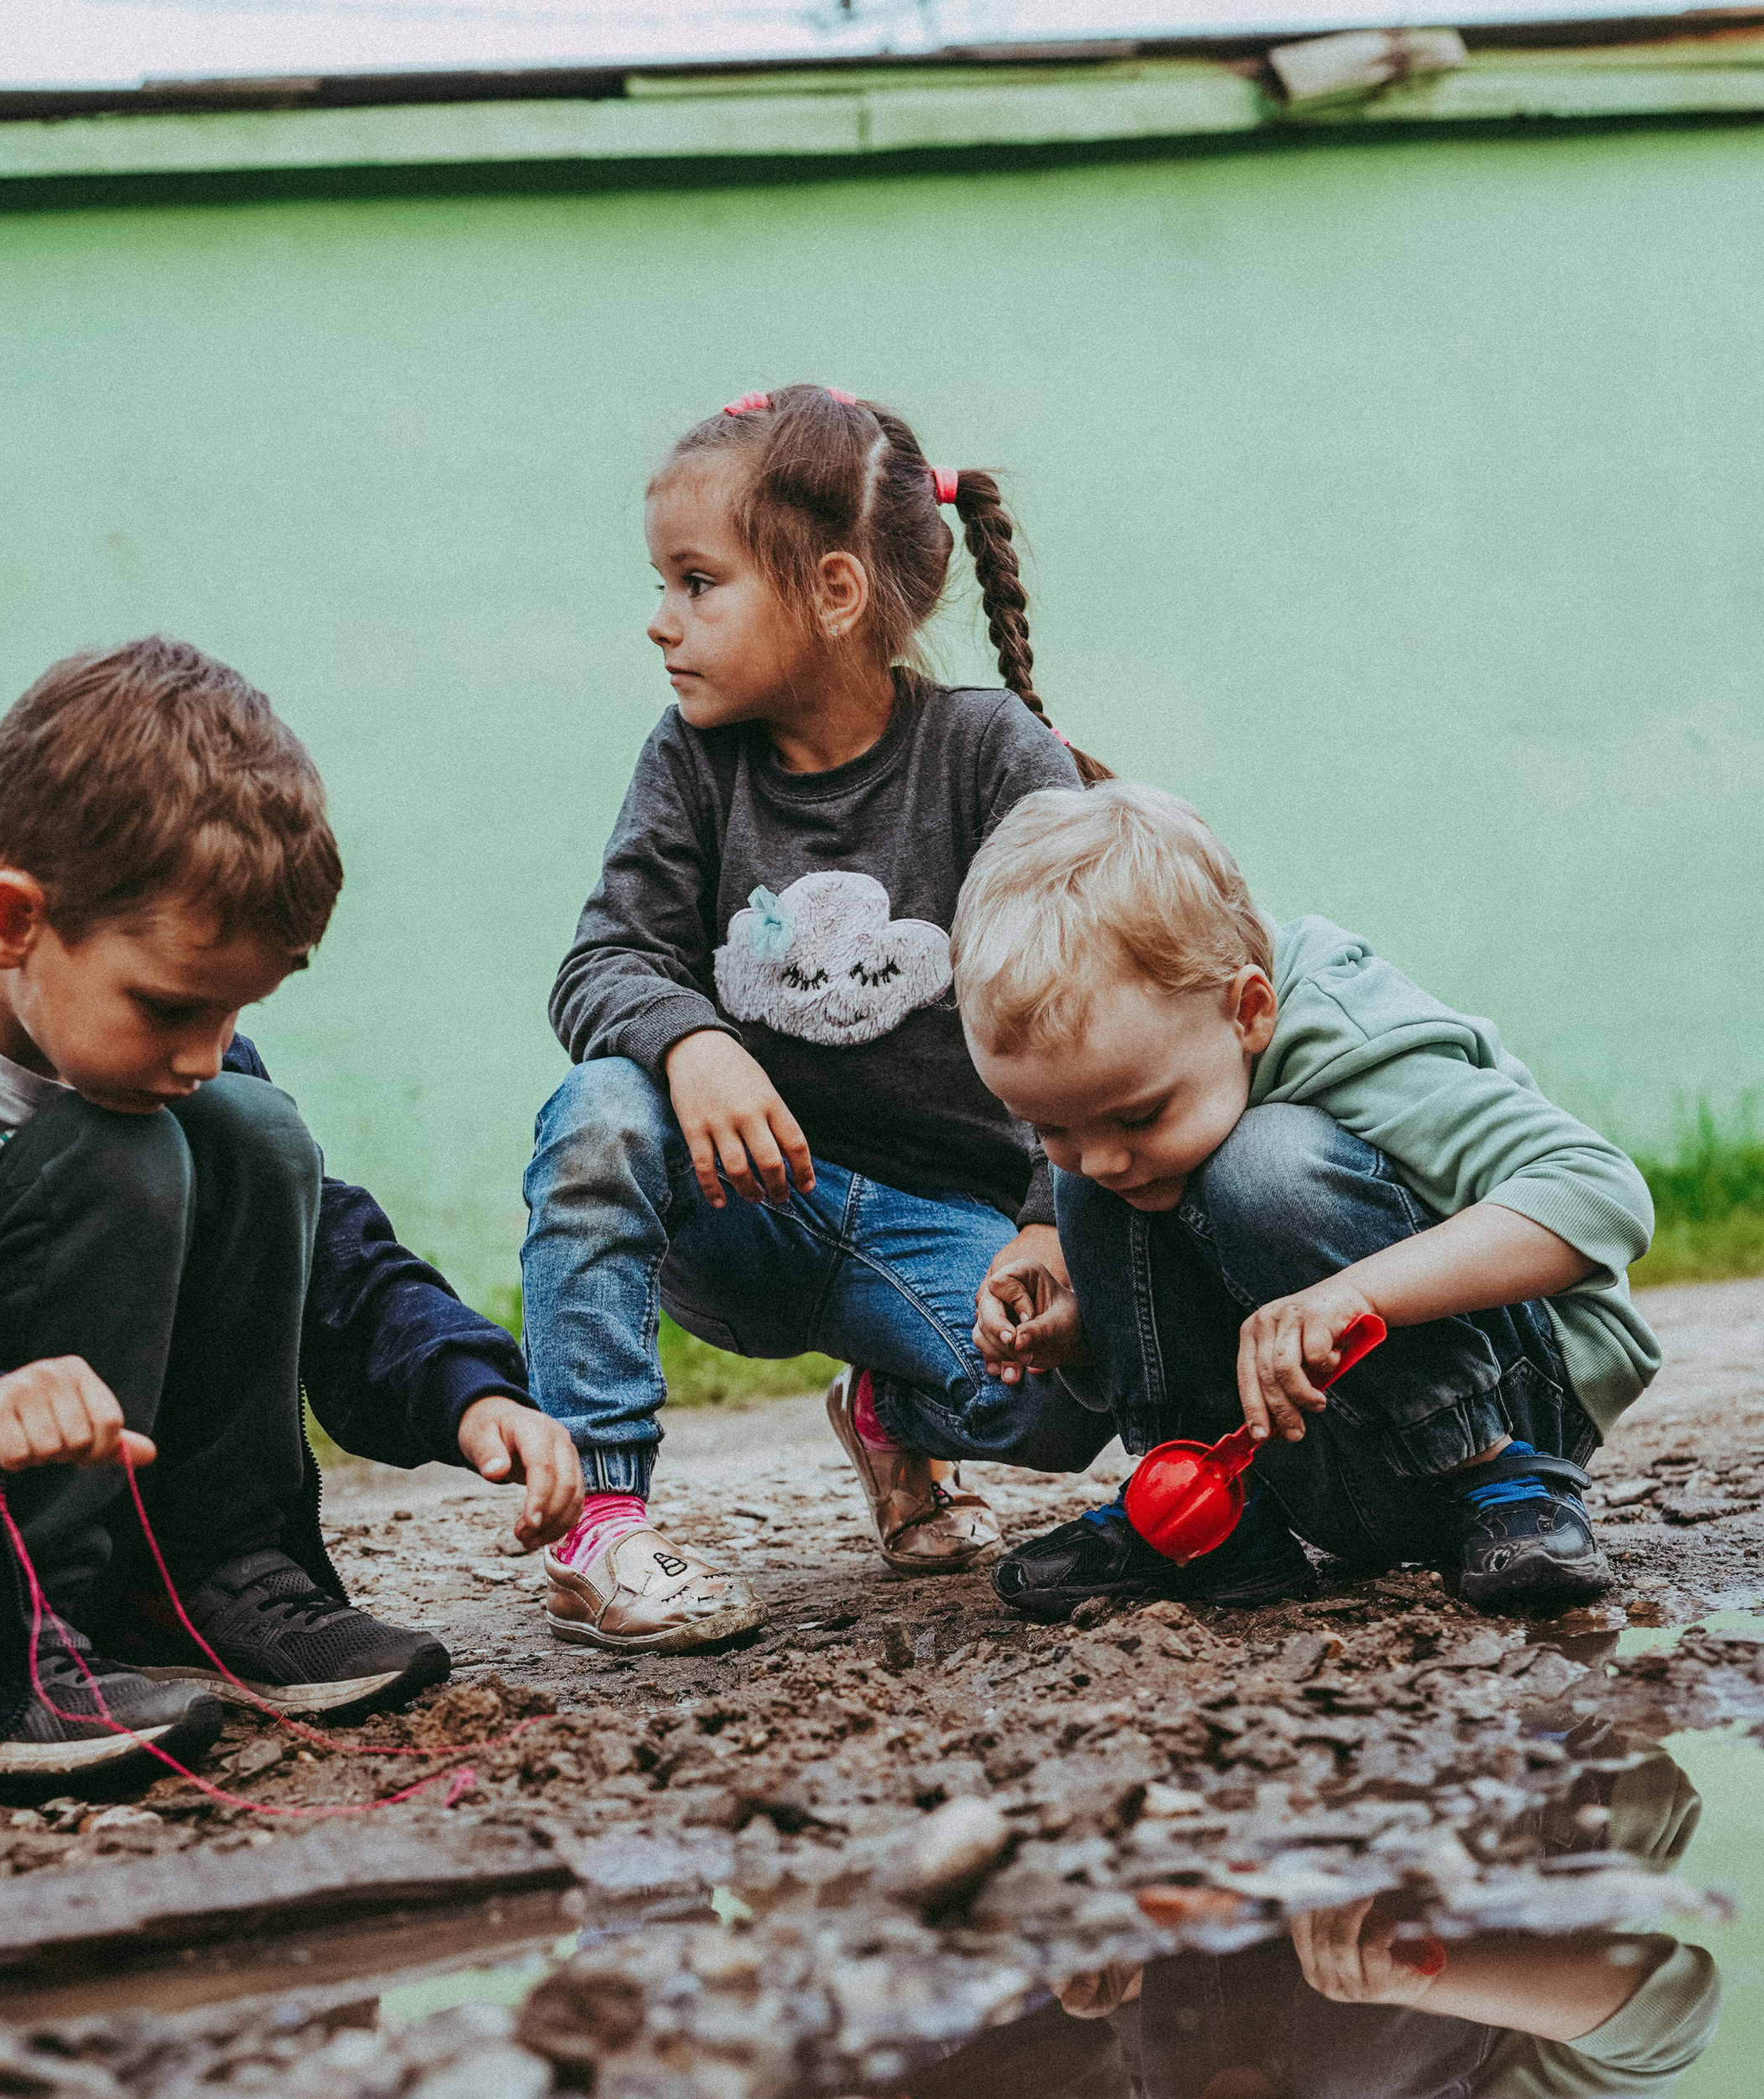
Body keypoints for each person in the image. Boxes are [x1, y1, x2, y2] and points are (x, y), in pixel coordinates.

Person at [0, 638, 579, 1797]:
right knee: (118, 1153)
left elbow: (329, 1250)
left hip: (93, 1574)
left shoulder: (165, 1056)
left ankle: (208, 1582)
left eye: (237, 1008)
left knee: (255, 1128)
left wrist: (467, 1389)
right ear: (15, 920)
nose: (206, 1048)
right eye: (175, 1005)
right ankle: (11, 1649)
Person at [521, 379, 1113, 1653]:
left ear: (836, 594)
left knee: (1064, 1409)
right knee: (598, 1108)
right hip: (744, 1217)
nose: (660, 623)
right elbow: (601, 960)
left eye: (697, 583)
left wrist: (1048, 1223)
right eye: (665, 585)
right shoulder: (689, 761)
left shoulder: (990, 756)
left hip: (938, 1223)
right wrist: (692, 1042)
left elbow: (1092, 997)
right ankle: (599, 1524)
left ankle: (893, 1416)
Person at [947, 778, 1659, 1618]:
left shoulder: (1348, 1027)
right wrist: (1086, 1335)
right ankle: (1202, 1518)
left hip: (1517, 1403)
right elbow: (1144, 1222)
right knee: (1106, 1185)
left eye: (1139, 1111)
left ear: (1248, 1010)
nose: (1098, 1154)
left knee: (1265, 1161)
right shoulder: (1128, 1123)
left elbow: (1600, 1196)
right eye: (1047, 1126)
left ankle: (1494, 1480)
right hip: (1308, 1441)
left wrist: (1358, 1296)